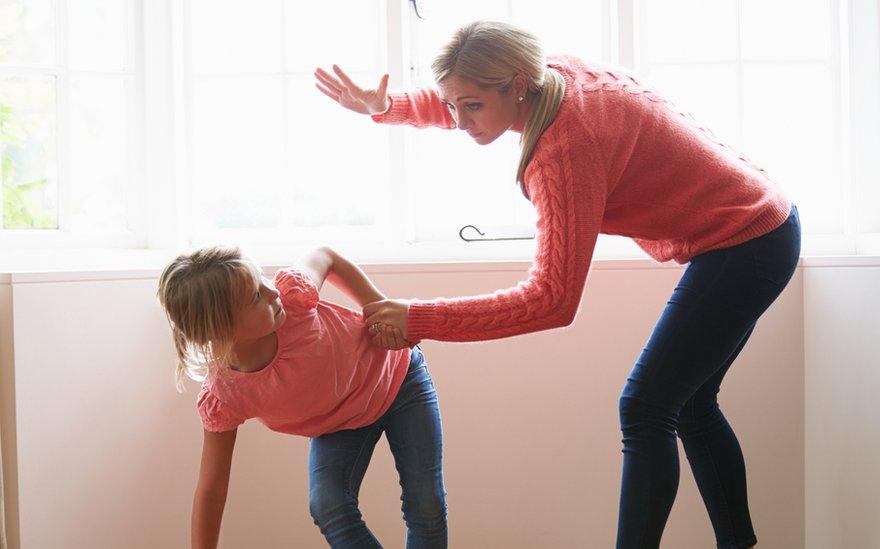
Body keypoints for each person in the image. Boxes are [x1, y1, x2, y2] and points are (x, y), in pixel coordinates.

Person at [316, 20, 799, 549]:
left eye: (471, 106)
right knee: (687, 404)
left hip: (747, 242)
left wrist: (418, 317)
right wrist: (388, 108)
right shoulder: (552, 77)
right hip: (757, 223)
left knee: (645, 407)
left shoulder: (564, 151)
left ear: (518, 85)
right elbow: (462, 95)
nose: (459, 119)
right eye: (454, 105)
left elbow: (552, 301)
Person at [157, 245, 447, 548]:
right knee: (328, 505)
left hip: (400, 381)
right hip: (341, 422)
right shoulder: (226, 394)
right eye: (255, 296)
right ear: (221, 327)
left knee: (425, 503)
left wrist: (379, 307)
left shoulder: (293, 298)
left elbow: (326, 255)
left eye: (262, 279)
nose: (272, 292)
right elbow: (212, 487)